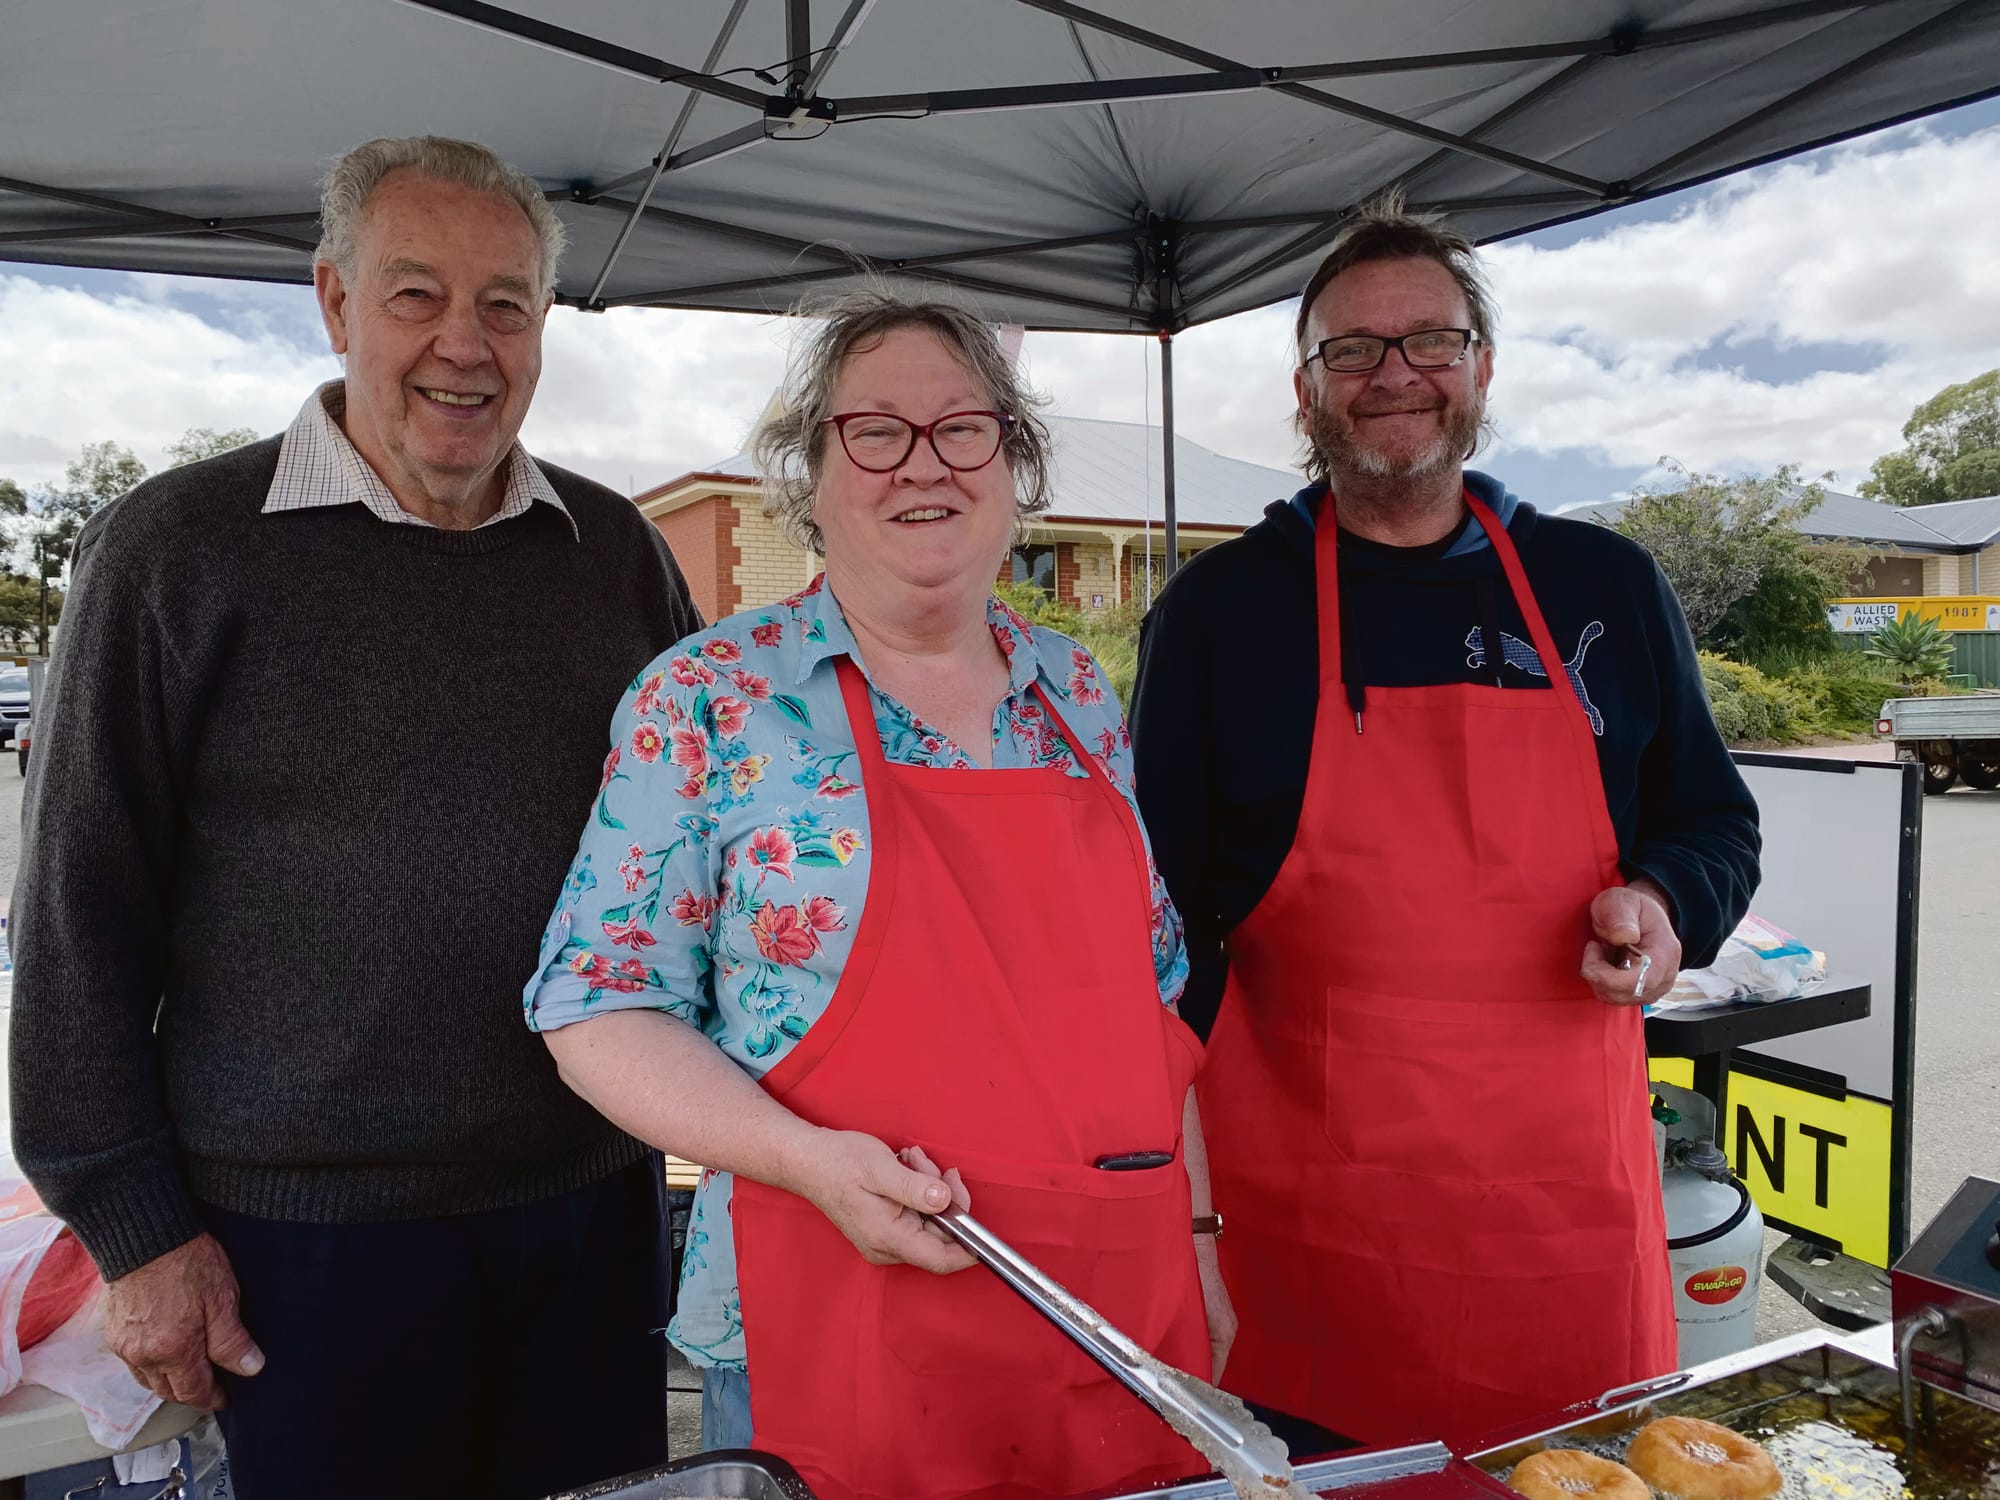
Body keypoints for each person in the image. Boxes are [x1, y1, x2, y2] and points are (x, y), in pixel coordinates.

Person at [9, 136, 703, 1500]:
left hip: (591, 1214)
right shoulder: (178, 548)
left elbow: (700, 856)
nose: (466, 343)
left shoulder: (613, 553)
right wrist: (135, 1228)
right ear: (333, 303)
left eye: (506, 302)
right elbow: (79, 914)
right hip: (303, 1244)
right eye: (415, 295)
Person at [526, 290, 1235, 1500]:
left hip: (1114, 1309)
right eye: (876, 431)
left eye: (965, 429)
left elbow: (1153, 1005)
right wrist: (800, 1159)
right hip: (835, 1310)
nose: (925, 464)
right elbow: (593, 1005)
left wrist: (1203, 1250)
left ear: (1015, 465)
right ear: (811, 468)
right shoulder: (707, 700)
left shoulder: (1075, 688)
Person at [1130, 195, 1761, 1451]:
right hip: (1310, 1218)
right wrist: (1168, 1206)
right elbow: (1155, 923)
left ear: (1480, 367)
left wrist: (1661, 904)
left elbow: (1708, 821)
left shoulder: (1603, 587)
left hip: (1557, 1212)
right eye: (1350, 350)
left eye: (1428, 340)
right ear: (1304, 390)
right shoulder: (1217, 615)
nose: (1392, 375)